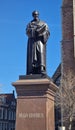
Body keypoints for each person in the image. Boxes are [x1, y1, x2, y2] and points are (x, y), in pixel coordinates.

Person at [26, 10, 50, 75]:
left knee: (40, 54)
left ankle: (41, 68)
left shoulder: (43, 23)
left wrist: (42, 33)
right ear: (33, 16)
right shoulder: (30, 24)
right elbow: (27, 32)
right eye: (34, 15)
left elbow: (47, 32)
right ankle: (32, 70)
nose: (35, 16)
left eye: (36, 15)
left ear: (38, 15)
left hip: (40, 41)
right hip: (32, 42)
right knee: (32, 56)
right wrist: (34, 31)